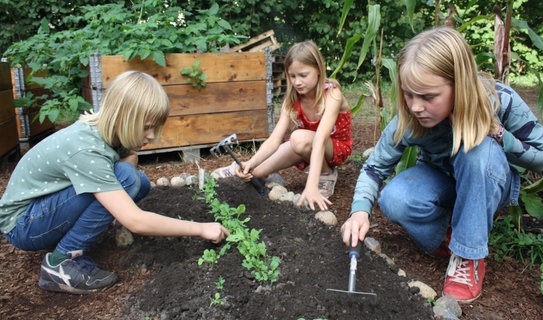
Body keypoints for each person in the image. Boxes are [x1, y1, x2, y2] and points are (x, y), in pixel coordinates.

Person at [340, 27, 543, 303]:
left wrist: (499, 134)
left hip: (490, 181)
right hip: (442, 183)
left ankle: (468, 255)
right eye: (409, 94)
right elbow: (373, 168)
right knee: (394, 198)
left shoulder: (499, 100)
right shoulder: (411, 120)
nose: (415, 107)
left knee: (476, 149)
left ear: (459, 85)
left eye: (428, 97)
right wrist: (359, 212)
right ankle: (454, 239)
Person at [0, 71, 229, 294]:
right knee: (128, 180)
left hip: (43, 210)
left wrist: (120, 193)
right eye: (146, 127)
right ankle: (61, 263)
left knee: (137, 181)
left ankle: (86, 226)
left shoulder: (108, 131)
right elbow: (136, 221)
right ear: (122, 117)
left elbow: (130, 156)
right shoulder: (87, 149)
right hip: (23, 224)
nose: (151, 136)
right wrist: (200, 228)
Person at [213, 40, 352, 211]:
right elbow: (275, 139)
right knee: (255, 173)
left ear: (318, 70)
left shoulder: (332, 95)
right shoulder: (293, 99)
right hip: (306, 145)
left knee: (298, 137)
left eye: (303, 75)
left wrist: (311, 185)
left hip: (334, 148)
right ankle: (241, 166)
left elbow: (320, 140)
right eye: (292, 76)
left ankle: (326, 174)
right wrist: (252, 162)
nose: (297, 82)